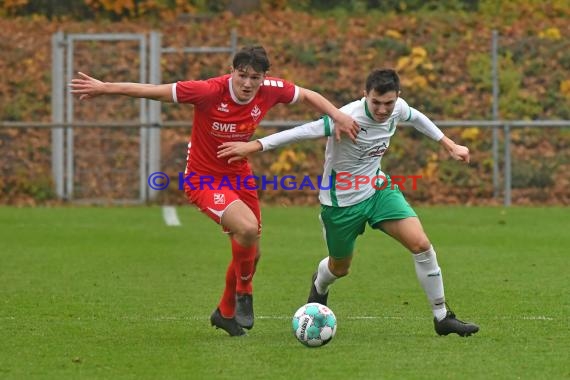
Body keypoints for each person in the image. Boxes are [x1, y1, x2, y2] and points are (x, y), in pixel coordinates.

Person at [70, 45, 359, 337]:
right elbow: (154, 91)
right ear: (231, 71)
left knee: (252, 252)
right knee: (246, 230)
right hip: (203, 179)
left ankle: (225, 313)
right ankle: (245, 293)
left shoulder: (270, 89)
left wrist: (337, 115)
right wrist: (106, 87)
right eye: (241, 75)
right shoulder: (208, 91)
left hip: (239, 174)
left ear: (264, 77)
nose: (247, 83)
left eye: (254, 78)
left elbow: (308, 95)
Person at [217, 69, 480, 337]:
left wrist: (449, 144)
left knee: (421, 245)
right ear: (365, 95)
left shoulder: (397, 108)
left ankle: (441, 316)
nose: (382, 109)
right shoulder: (347, 117)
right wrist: (254, 146)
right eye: (375, 102)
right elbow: (303, 131)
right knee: (339, 268)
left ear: (397, 97)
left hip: (378, 190)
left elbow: (416, 117)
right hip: (340, 204)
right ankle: (319, 285)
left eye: (388, 103)